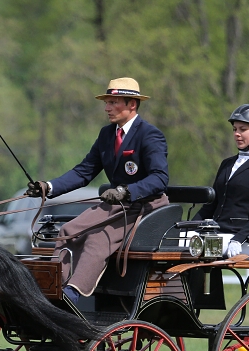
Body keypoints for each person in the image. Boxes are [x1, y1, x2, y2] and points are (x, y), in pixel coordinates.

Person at [27, 77, 169, 304]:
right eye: (107, 102)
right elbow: (84, 172)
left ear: (132, 104)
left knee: (97, 238)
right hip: (117, 205)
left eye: (113, 102)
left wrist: (126, 191)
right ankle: (55, 289)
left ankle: (74, 293)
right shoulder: (106, 135)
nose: (107, 108)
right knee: (68, 230)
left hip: (145, 207)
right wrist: (49, 187)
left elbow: (160, 178)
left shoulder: (149, 134)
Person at [193, 104, 249, 258]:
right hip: (216, 233)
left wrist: (238, 239)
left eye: (242, 129)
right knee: (176, 243)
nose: (237, 134)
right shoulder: (227, 164)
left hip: (243, 239)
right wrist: (190, 228)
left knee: (197, 248)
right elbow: (211, 206)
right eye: (235, 129)